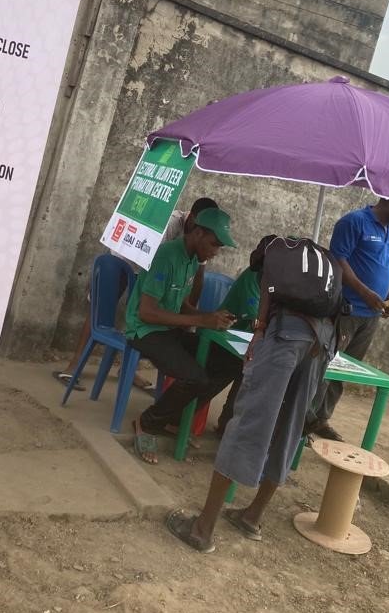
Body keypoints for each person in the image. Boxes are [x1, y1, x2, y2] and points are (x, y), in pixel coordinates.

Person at [166, 236, 345, 553]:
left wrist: (260, 331)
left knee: (248, 422)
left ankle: (202, 529)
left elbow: (267, 292)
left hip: (286, 336)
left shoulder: (273, 254)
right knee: (291, 427)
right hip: (323, 342)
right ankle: (252, 516)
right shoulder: (319, 262)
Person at [53, 197, 218, 390]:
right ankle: (74, 365)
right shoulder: (171, 224)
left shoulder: (204, 235)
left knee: (147, 322)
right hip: (125, 259)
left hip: (149, 270)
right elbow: (156, 262)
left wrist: (189, 317)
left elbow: (198, 276)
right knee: (100, 310)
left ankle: (127, 369)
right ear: (192, 218)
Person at [305, 197, 389, 441]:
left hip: (371, 315)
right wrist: (365, 293)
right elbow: (338, 261)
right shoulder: (354, 222)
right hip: (347, 311)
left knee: (344, 371)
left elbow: (380, 266)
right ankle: (302, 423)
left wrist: (387, 297)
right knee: (324, 368)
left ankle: (320, 419)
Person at [127, 207, 243, 464]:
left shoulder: (192, 261)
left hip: (169, 330)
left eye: (220, 247)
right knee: (194, 377)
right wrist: (200, 320)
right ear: (198, 233)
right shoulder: (166, 256)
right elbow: (147, 312)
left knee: (231, 363)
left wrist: (210, 317)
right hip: (144, 330)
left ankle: (172, 419)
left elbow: (180, 305)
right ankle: (147, 423)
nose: (215, 252)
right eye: (214, 244)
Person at [214, 234, 276, 437]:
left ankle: (229, 425)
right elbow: (256, 321)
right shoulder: (253, 278)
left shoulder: (277, 283)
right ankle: (226, 425)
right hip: (226, 340)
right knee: (250, 368)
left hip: (247, 345)